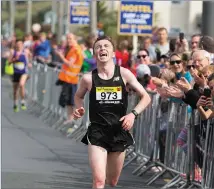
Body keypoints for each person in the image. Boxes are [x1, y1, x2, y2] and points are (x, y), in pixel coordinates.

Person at [73, 36, 151, 188]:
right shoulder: (88, 78)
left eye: (106, 46)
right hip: (97, 131)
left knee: (112, 181)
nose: (102, 48)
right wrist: (78, 109)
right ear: (95, 53)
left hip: (119, 131)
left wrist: (132, 114)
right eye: (98, 47)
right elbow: (78, 96)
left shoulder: (124, 74)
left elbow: (146, 97)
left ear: (113, 53)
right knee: (99, 181)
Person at [8, 39, 32, 112]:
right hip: (15, 72)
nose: (19, 45)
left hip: (24, 72)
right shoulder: (13, 52)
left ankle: (22, 102)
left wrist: (29, 63)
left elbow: (30, 58)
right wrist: (15, 59)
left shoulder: (26, 52)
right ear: (16, 45)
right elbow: (9, 62)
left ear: (22, 45)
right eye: (17, 44)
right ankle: (15, 104)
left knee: (21, 84)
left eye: (20, 44)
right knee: (15, 90)